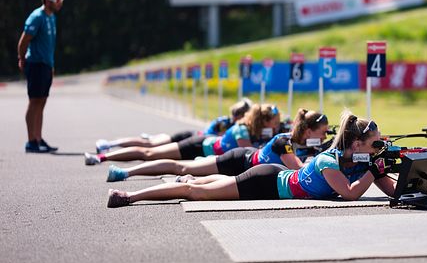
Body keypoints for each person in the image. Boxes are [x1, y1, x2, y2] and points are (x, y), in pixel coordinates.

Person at [106, 111, 395, 207]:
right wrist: (374, 168)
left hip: (270, 174)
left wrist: (401, 171)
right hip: (267, 181)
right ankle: (129, 195)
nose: (379, 148)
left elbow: (394, 192)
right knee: (196, 194)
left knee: (214, 182)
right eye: (377, 144)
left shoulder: (360, 160)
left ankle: (192, 177)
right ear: (357, 143)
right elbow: (350, 195)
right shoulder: (328, 161)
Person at [105, 108, 328, 182]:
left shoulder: (298, 141)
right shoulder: (285, 141)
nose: (324, 136)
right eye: (323, 133)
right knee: (178, 167)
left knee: (189, 175)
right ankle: (124, 172)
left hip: (246, 167)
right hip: (238, 160)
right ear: (308, 132)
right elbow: (298, 170)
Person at [85, 103, 280, 165]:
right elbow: (250, 152)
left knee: (152, 150)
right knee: (150, 152)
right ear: (262, 121)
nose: (276, 126)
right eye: (274, 123)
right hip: (198, 144)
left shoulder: (256, 129)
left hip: (206, 151)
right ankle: (102, 155)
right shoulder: (242, 129)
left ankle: (105, 152)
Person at [93, 98, 252, 152]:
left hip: (193, 137)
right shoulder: (225, 124)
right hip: (191, 138)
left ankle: (111, 144)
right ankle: (109, 144)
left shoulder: (227, 121)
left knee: (150, 145)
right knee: (150, 146)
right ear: (241, 115)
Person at [18, 0, 65, 153]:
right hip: (35, 64)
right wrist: (22, 59)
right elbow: (24, 41)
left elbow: (49, 45)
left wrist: (51, 65)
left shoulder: (51, 16)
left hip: (46, 65)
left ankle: (38, 138)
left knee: (42, 101)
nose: (60, 3)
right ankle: (31, 142)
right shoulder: (36, 16)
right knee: (34, 101)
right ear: (47, 0)